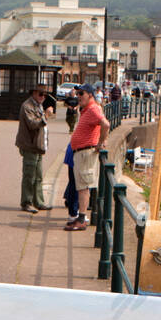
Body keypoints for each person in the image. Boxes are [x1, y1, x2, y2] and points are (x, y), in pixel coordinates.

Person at [64, 84, 109, 231]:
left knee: (83, 187)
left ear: (90, 95)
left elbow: (105, 124)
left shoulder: (93, 109)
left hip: (85, 153)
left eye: (81, 93)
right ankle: (80, 216)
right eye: (77, 94)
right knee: (81, 186)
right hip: (81, 153)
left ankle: (82, 219)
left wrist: (101, 142)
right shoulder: (88, 110)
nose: (78, 96)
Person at [15, 83, 51, 214]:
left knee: (38, 176)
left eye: (45, 95)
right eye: (41, 94)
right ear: (34, 93)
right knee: (29, 175)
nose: (43, 97)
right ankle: (26, 202)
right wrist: (45, 116)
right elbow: (32, 124)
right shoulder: (27, 106)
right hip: (30, 146)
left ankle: (39, 201)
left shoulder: (37, 105)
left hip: (37, 146)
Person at [62, 142, 83, 228]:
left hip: (74, 152)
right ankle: (74, 214)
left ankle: (74, 212)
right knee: (76, 185)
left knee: (74, 184)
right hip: (77, 154)